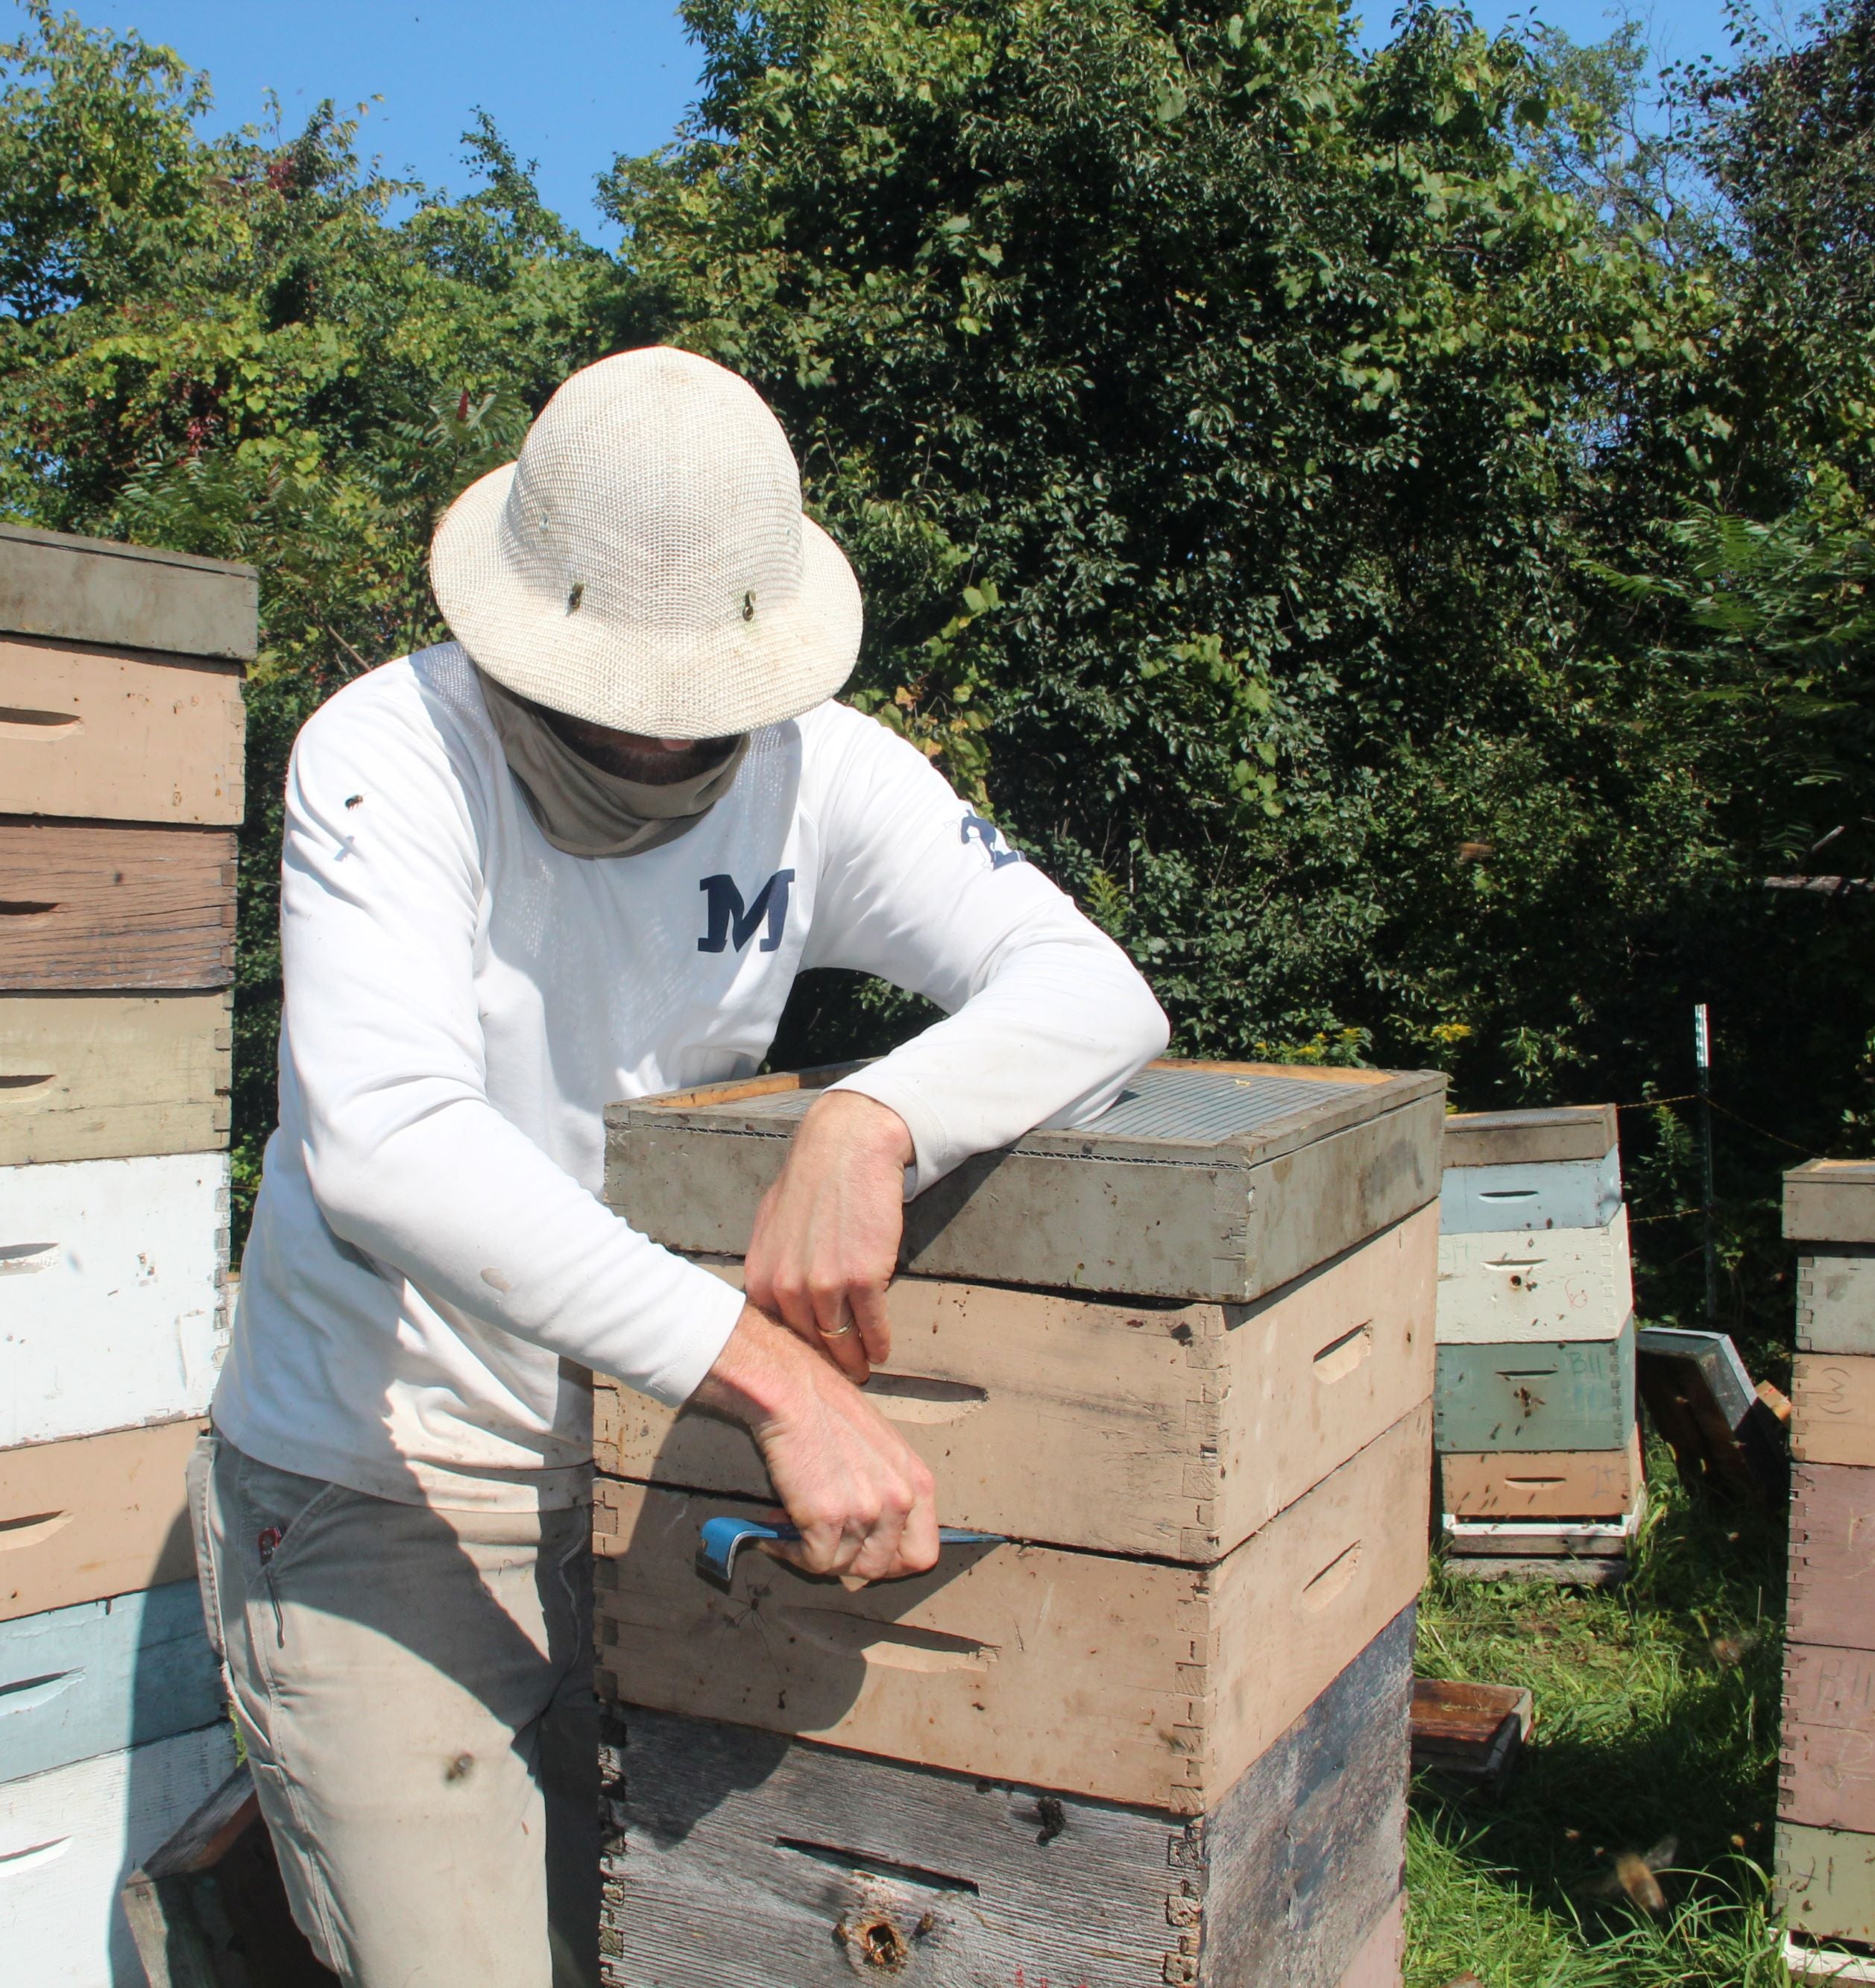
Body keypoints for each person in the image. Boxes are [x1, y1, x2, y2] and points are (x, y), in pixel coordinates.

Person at [194, 345, 1169, 1987]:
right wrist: (778, 1384)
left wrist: (872, 1118)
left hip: (646, 1474)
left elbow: (1094, 988)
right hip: (386, 1493)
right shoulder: (385, 753)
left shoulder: (823, 772)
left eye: (692, 716)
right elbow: (386, 1140)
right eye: (604, 710)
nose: (653, 749)